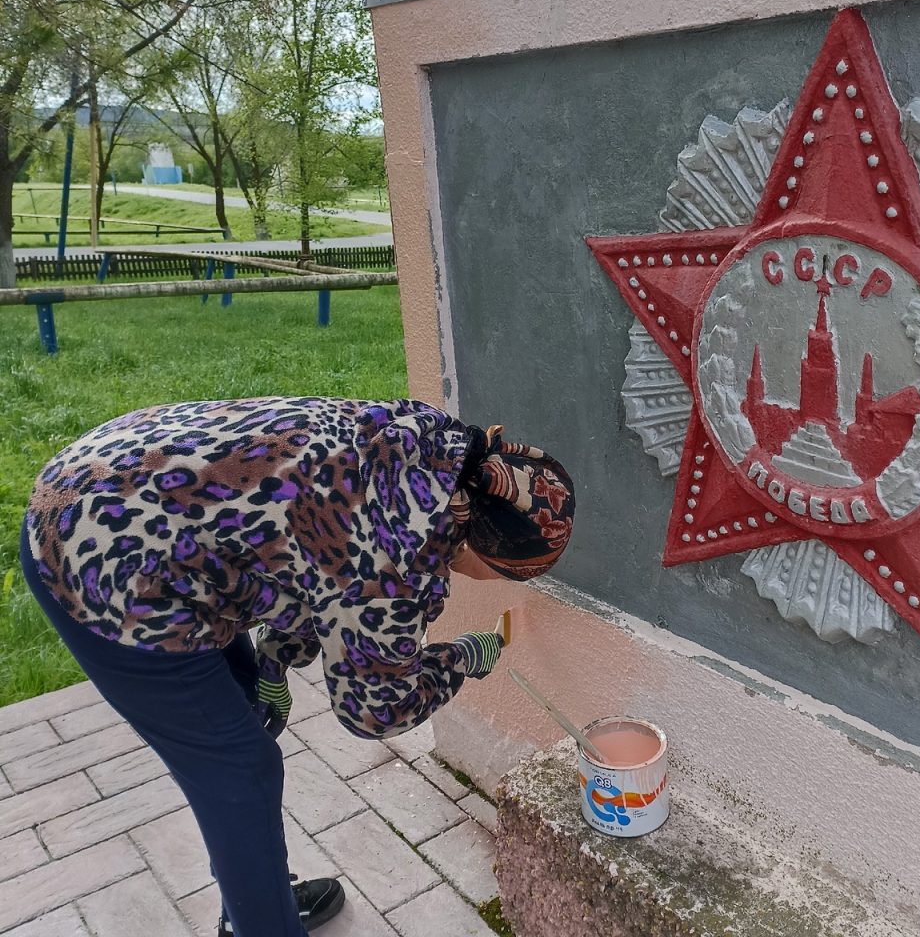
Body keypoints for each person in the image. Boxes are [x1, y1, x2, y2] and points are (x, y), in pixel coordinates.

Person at [20, 397, 575, 937]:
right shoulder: (395, 562)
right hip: (96, 559)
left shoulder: (433, 450)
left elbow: (308, 555)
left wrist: (273, 664)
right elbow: (374, 710)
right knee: (240, 769)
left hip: (129, 484)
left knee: (238, 707)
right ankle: (260, 923)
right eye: (516, 574)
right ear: (482, 550)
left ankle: (251, 896)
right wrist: (459, 659)